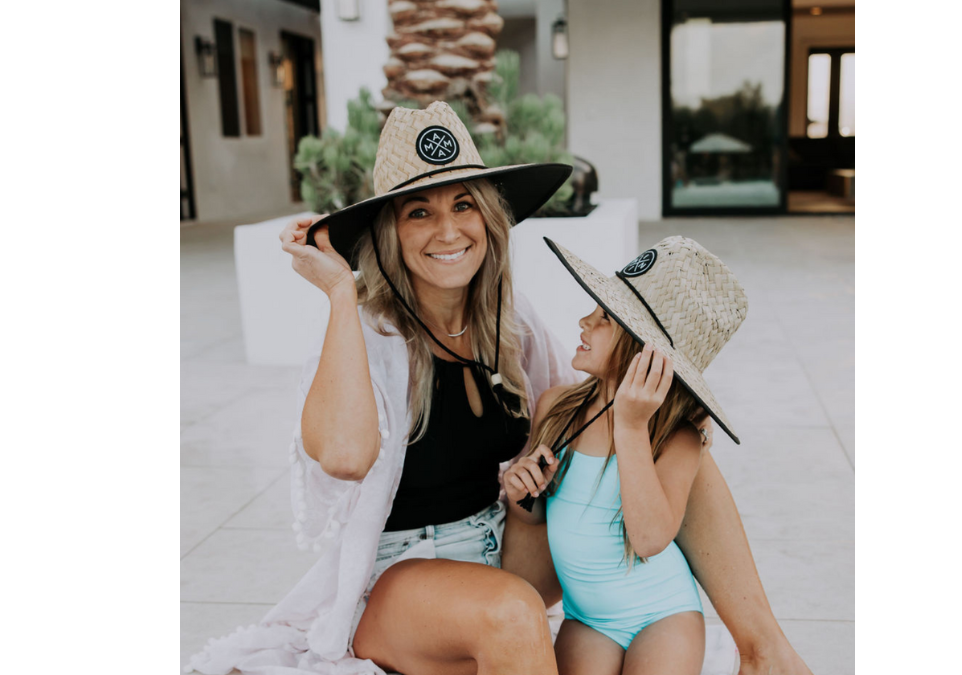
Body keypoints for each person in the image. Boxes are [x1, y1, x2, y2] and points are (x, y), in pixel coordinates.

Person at [187, 102, 811, 675]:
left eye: (464, 205)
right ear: (388, 232)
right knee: (513, 612)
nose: (448, 230)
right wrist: (339, 295)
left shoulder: (510, 328)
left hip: (509, 552)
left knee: (665, 438)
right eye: (419, 212)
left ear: (488, 218)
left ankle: (766, 650)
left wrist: (616, 431)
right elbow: (346, 458)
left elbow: (579, 424)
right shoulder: (367, 332)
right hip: (410, 577)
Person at [504, 235, 747, 675]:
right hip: (588, 619)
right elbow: (537, 516)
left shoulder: (677, 438)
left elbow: (651, 538)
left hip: (663, 615)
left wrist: (632, 427)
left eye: (604, 319)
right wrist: (522, 494)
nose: (583, 321)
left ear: (644, 352)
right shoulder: (557, 408)